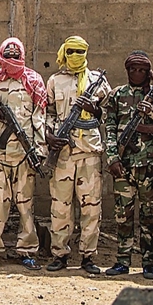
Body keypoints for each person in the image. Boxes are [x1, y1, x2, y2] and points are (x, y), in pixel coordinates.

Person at [44, 36, 113, 274]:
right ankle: (60, 254)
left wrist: (95, 109)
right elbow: (47, 112)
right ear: (64, 51)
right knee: (61, 206)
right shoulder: (55, 81)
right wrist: (49, 135)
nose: (75, 55)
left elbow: (109, 113)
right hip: (63, 153)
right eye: (71, 51)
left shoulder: (98, 81)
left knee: (91, 207)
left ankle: (88, 257)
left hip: (89, 152)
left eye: (80, 51)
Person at [0, 38, 47, 271]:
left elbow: (39, 119)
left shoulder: (33, 81)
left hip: (23, 153)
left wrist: (39, 151)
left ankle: (27, 250)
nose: (12, 63)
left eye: (15, 58)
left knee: (25, 204)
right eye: (7, 57)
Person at [103, 51, 153, 279]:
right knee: (123, 216)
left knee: (149, 217)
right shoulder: (117, 95)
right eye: (132, 69)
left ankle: (148, 263)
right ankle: (122, 261)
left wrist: (151, 114)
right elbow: (109, 128)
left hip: (147, 166)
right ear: (126, 71)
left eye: (141, 70)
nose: (137, 74)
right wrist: (113, 159)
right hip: (123, 166)